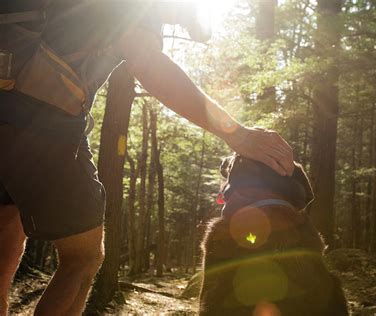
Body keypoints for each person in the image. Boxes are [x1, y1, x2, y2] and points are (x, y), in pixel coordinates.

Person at [0, 1, 294, 315]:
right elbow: (149, 63)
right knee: (83, 258)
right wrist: (238, 135)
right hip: (42, 121)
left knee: (6, 235)